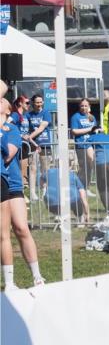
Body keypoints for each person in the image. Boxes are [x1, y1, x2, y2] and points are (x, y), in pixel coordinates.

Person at [1, 98, 44, 288]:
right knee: (3, 233)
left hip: (12, 184)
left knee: (21, 228)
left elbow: (8, 155)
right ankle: (9, 282)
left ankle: (37, 276)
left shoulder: (11, 130)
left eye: (2, 101)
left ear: (8, 110)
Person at [70, 99, 99, 195]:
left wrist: (97, 130)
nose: (84, 107)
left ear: (89, 106)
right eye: (82, 106)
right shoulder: (75, 117)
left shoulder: (92, 117)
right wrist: (89, 129)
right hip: (81, 145)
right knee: (83, 167)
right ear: (79, 106)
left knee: (90, 167)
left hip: (91, 145)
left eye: (86, 105)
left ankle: (86, 188)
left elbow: (94, 130)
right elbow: (74, 131)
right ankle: (79, 188)